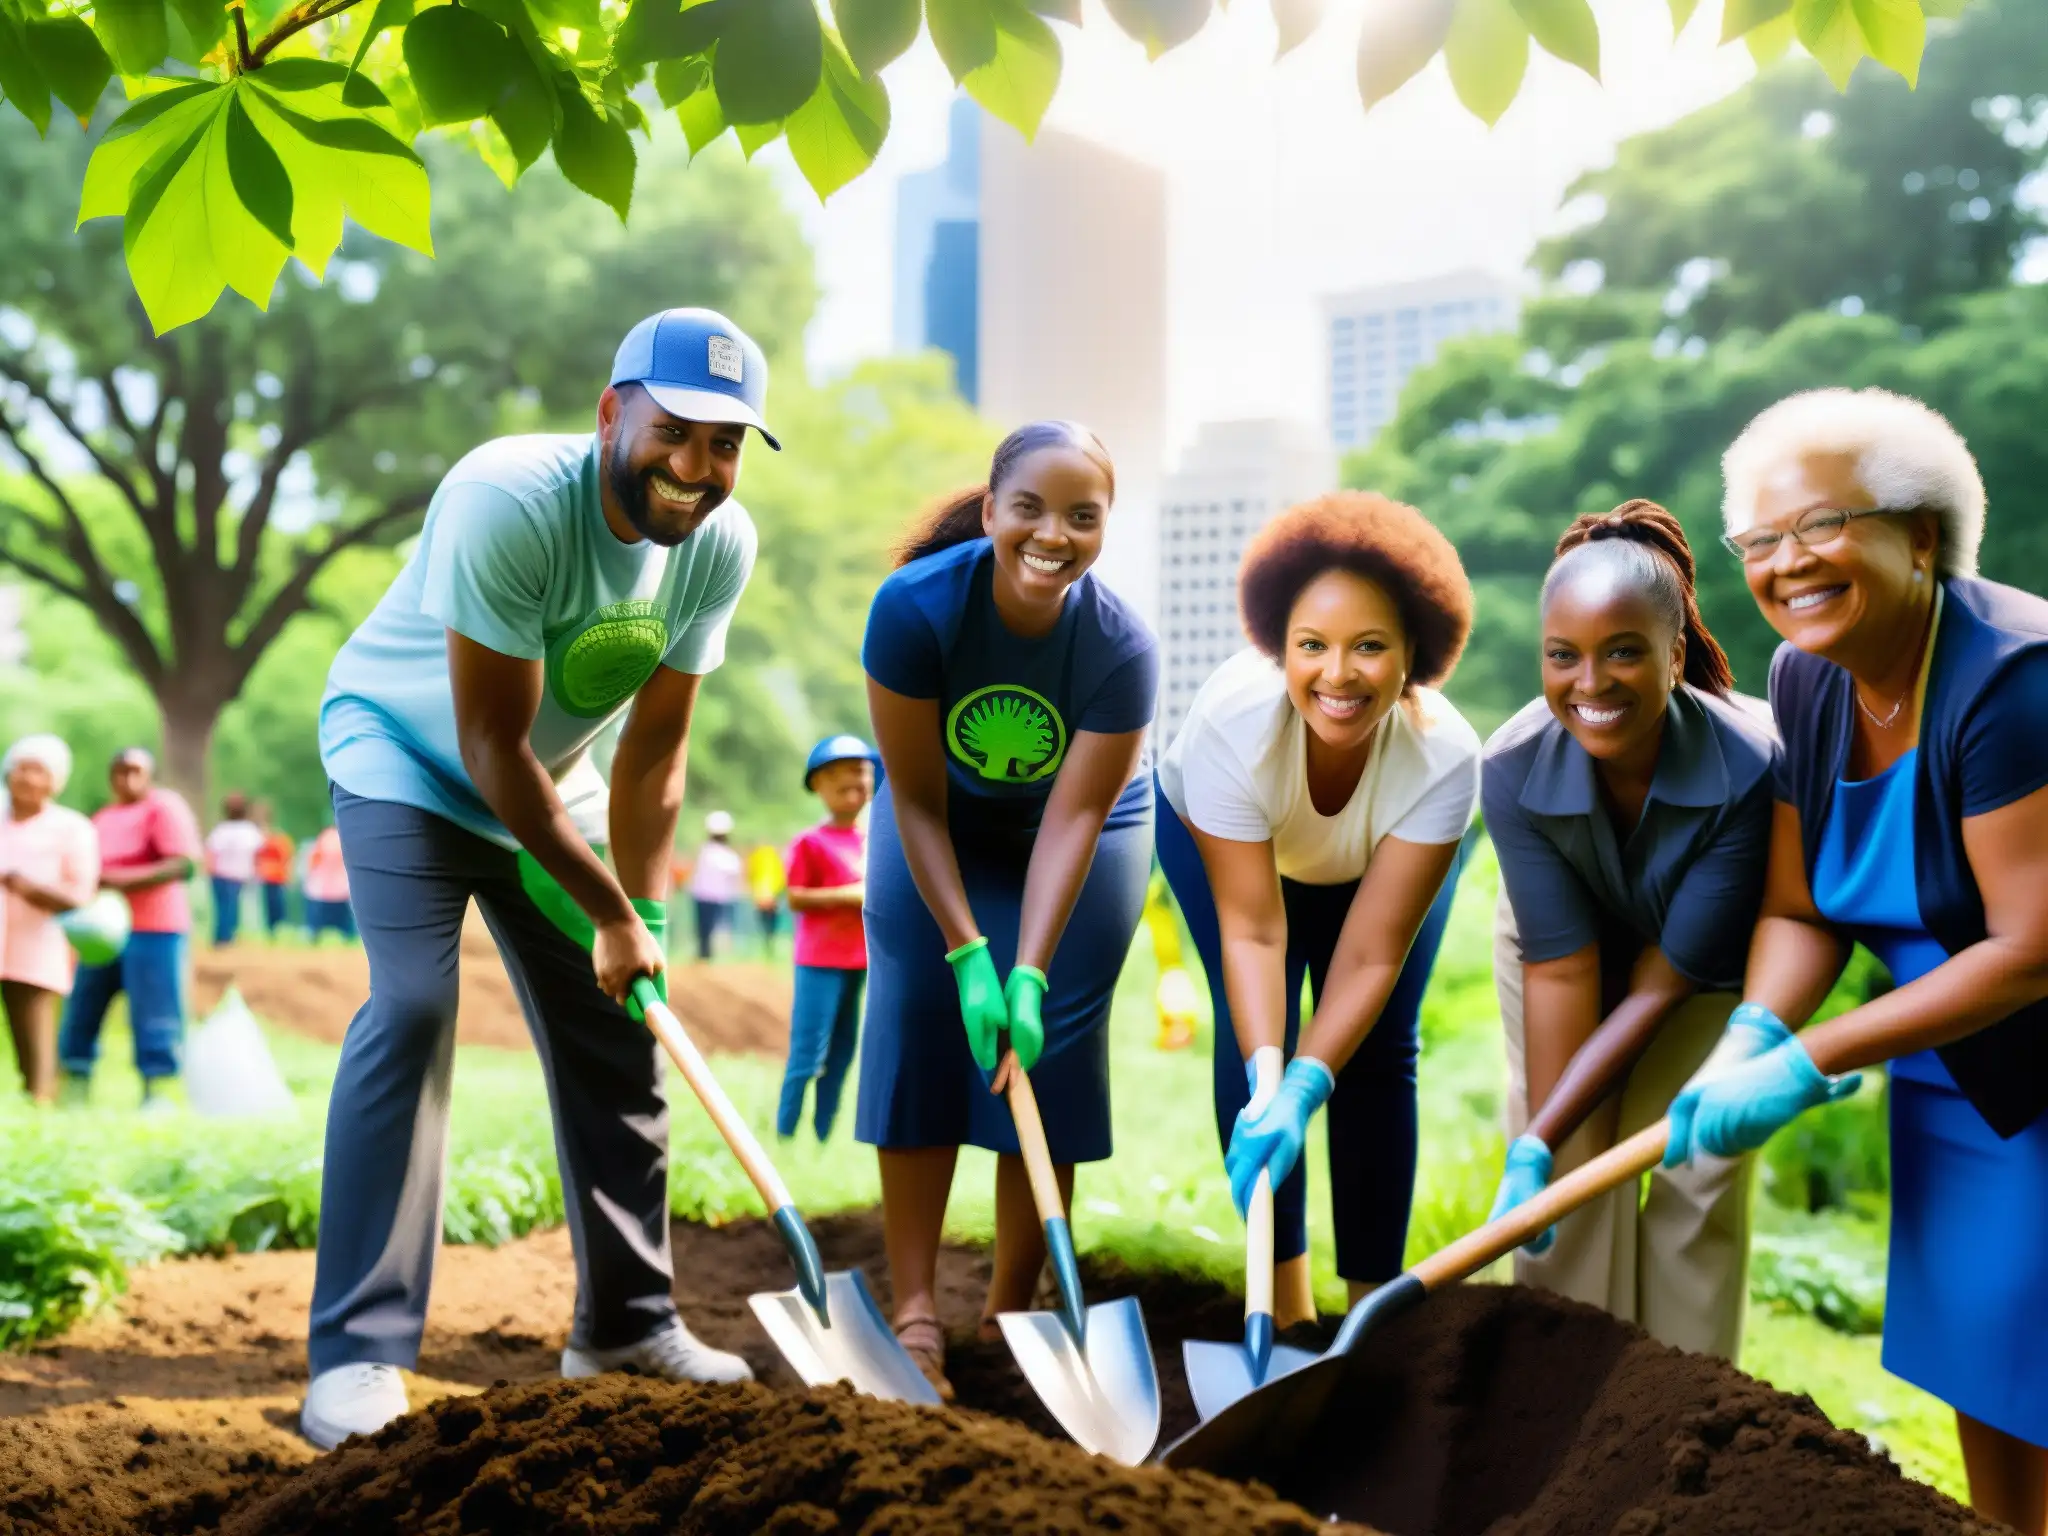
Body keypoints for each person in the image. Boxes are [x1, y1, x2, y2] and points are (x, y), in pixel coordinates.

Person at [303, 306, 773, 1451]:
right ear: (613, 412)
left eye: (725, 445)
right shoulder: (506, 498)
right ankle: (358, 1352)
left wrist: (639, 920)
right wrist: (603, 903)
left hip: (544, 783)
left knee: (625, 1023)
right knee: (413, 1005)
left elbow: (656, 754)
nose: (696, 468)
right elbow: (485, 747)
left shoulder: (718, 543)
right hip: (406, 760)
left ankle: (627, 1321)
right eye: (676, 431)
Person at [1664, 388, 2048, 1533]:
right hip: (1947, 1059)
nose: (1788, 564)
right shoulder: (1806, 676)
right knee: (1986, 1353)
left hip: (2027, 1040)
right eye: (1762, 542)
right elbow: (1799, 907)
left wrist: (1808, 1056)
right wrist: (1753, 1034)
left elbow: (2028, 949)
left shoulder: (2011, 680)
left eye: (1822, 525)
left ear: (1919, 533)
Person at [857, 420, 1158, 1399]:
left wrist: (1024, 968)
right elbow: (911, 800)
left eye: (1082, 515)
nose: (1051, 533)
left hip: (1082, 829)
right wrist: (963, 954)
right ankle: (912, 1309)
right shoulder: (912, 611)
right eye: (1027, 507)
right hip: (937, 813)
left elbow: (1075, 815)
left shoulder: (1120, 648)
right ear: (989, 511)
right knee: (914, 1017)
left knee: (1052, 1039)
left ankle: (1012, 1308)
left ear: (1106, 527)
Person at [1155, 491, 1479, 1321]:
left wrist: (1311, 1085)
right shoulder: (1234, 723)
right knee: (1260, 1049)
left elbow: (1371, 954)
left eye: (1370, 647)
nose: (1337, 674)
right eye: (1312, 646)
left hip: (1373, 871)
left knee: (1373, 1052)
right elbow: (1256, 932)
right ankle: (1288, 1311)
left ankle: (1368, 1322)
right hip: (1234, 858)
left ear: (1416, 653)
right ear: (1279, 646)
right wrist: (1279, 1082)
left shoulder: (1443, 757)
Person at [1482, 501, 1775, 1360]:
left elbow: (1665, 981)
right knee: (1572, 1167)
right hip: (1555, 951)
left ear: (1674, 654)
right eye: (1563, 656)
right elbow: (1564, 973)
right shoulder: (1511, 767)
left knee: (1697, 1156)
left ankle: (1677, 1414)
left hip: (1697, 968)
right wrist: (1542, 1142)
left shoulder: (1749, 768)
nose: (1591, 684)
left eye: (1623, 653)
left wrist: (1536, 1137)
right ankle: (1563, 1393)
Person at [57, 748, 200, 1109]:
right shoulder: (104, 818)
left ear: (149, 774)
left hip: (155, 926)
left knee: (155, 1010)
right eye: (121, 772)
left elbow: (183, 865)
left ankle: (157, 1092)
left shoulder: (162, 808)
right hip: (102, 928)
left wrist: (119, 880)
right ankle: (76, 1083)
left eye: (136, 771)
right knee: (84, 1004)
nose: (128, 780)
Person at [775, 734, 879, 1141]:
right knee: (807, 1053)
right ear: (818, 786)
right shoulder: (810, 842)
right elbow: (795, 897)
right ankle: (785, 1135)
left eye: (860, 772)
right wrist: (851, 894)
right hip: (819, 960)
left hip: (860, 960)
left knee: (842, 1054)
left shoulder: (876, 839)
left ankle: (822, 1137)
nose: (853, 782)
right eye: (838, 775)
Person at [0, 735, 96, 1102]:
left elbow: (78, 894)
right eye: (21, 767)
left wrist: (25, 886)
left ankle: (39, 1106)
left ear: (55, 781)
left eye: (38, 770)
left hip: (37, 945)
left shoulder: (72, 829)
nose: (27, 778)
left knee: (34, 1042)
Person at [204, 792, 264, 947]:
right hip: (238, 876)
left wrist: (210, 870)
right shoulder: (250, 831)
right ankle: (226, 937)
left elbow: (211, 853)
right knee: (231, 907)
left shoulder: (221, 830)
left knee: (222, 907)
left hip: (220, 874)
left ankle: (222, 937)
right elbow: (258, 854)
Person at [688, 811, 743, 960]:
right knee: (706, 929)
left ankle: (706, 954)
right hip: (712, 896)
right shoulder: (715, 853)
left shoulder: (706, 852)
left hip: (710, 896)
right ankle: (705, 955)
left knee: (707, 928)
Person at [302, 824, 354, 942]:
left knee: (316, 923)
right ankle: (348, 937)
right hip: (340, 887)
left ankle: (313, 936)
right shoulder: (343, 838)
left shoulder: (322, 839)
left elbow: (313, 861)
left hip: (321, 889)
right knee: (344, 922)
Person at [254, 803, 296, 939]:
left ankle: (278, 928)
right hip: (267, 876)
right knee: (269, 905)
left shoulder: (278, 838)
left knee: (277, 905)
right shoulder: (261, 837)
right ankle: (271, 930)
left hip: (277, 876)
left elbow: (286, 857)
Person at [746, 840, 786, 956]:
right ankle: (768, 943)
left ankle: (768, 943)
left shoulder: (760, 858)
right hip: (770, 895)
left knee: (766, 923)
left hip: (765, 895)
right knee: (769, 924)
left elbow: (752, 877)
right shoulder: (773, 859)